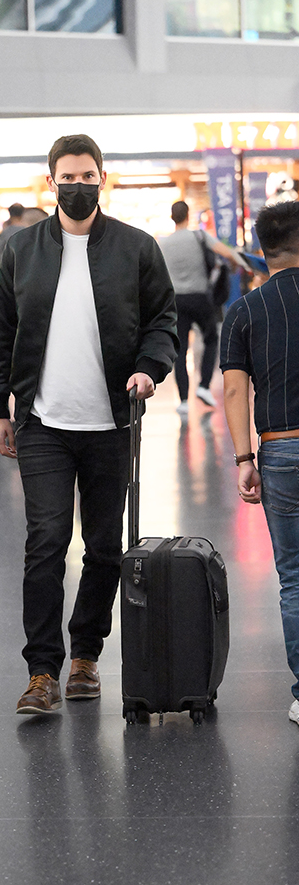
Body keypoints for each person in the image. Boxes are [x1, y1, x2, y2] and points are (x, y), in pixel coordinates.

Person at [0, 134, 178, 715]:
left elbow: (162, 320)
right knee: (45, 543)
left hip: (112, 422)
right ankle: (42, 671)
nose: (79, 184)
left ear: (102, 178)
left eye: (89, 175)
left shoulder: (136, 247)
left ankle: (86, 656)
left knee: (103, 546)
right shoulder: (22, 250)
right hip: (43, 420)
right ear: (51, 182)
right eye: (69, 176)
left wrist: (149, 369)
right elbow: (3, 334)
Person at [220, 200, 299, 730]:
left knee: (294, 577)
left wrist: (245, 457)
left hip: (281, 448)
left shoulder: (246, 310)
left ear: (262, 251)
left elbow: (232, 388)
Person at [158, 200, 242, 416]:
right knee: (211, 339)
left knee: (180, 349)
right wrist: (232, 267)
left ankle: (184, 400)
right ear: (188, 215)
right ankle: (204, 386)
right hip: (200, 298)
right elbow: (229, 254)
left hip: (176, 301)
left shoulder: (163, 243)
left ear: (171, 216)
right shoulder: (199, 236)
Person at [0, 204, 27, 298]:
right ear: (23, 214)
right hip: (24, 279)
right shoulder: (28, 232)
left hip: (6, 279)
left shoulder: (4, 234)